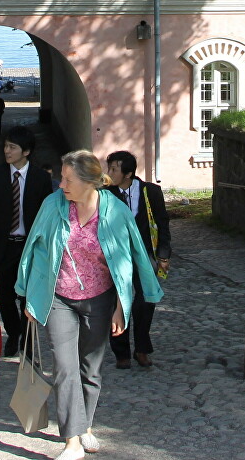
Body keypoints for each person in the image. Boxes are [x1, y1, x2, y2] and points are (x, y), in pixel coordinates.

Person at [17, 150, 163, 460]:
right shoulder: (52, 206)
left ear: (88, 182)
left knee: (90, 369)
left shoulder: (115, 212)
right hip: (59, 298)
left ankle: (84, 425)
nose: (61, 185)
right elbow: (35, 250)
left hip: (99, 299)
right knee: (64, 367)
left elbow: (128, 260)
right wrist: (30, 297)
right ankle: (71, 441)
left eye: (68, 180)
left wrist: (122, 307)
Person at [0, 126, 53, 358]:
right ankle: (13, 333)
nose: (7, 150)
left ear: (26, 151)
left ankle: (26, 337)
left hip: (29, 246)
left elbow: (46, 214)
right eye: (5, 146)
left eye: (12, 147)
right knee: (4, 294)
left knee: (27, 296)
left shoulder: (41, 178)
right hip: (5, 245)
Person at [104, 151, 170, 368]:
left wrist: (163, 254)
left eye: (114, 169)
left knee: (145, 301)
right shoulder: (105, 194)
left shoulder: (150, 192)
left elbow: (162, 224)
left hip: (145, 254)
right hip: (116, 256)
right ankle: (121, 352)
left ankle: (142, 348)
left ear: (128, 173)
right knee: (118, 302)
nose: (109, 172)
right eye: (109, 167)